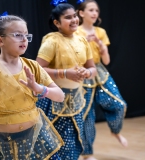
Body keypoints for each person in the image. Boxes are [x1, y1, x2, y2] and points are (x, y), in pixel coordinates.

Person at [0, 11, 65, 160]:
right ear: (0, 40)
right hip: (4, 142)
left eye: (26, 35)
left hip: (37, 136)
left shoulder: (32, 66)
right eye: (18, 35)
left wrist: (39, 88)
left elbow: (60, 96)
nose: (24, 39)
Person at [35, 0, 97, 159]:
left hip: (76, 99)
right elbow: (38, 70)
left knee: (74, 142)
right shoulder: (52, 41)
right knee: (53, 143)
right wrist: (64, 73)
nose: (74, 20)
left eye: (75, 16)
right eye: (68, 17)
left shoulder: (82, 40)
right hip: (53, 101)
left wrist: (86, 72)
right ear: (57, 22)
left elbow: (93, 69)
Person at [75, 0, 128, 159]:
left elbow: (106, 61)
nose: (94, 13)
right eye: (90, 10)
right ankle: (87, 153)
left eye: (96, 11)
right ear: (81, 13)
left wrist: (98, 42)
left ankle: (115, 131)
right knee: (87, 116)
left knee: (119, 104)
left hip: (99, 71)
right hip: (82, 72)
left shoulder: (100, 32)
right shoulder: (75, 32)